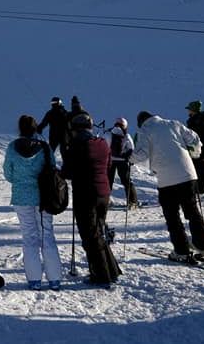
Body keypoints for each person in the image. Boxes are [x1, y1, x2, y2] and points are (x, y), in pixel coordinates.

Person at [131, 111, 204, 261]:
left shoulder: (145, 130)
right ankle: (202, 246)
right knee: (193, 212)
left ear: (141, 122)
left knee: (173, 217)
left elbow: (141, 154)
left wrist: (129, 157)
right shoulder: (174, 123)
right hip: (188, 176)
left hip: (167, 181)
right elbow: (195, 139)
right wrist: (195, 154)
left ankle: (181, 250)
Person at [3, 115, 62, 291]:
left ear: (20, 129)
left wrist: (20, 181)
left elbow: (8, 173)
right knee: (47, 235)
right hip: (44, 197)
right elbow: (53, 169)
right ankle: (54, 279)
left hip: (22, 197)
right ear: (36, 128)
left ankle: (34, 279)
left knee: (29, 237)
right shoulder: (44, 147)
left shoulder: (13, 147)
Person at [62, 113, 122, 287]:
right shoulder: (102, 143)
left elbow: (67, 172)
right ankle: (112, 269)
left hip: (85, 195)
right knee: (98, 232)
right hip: (103, 193)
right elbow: (109, 165)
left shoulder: (77, 145)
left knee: (90, 236)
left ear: (76, 129)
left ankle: (101, 275)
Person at [105, 118, 138, 208]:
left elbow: (105, 147)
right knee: (127, 181)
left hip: (110, 161)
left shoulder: (109, 134)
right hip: (123, 161)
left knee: (108, 181)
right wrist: (130, 159)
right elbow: (131, 149)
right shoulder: (127, 136)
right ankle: (132, 202)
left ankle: (105, 201)